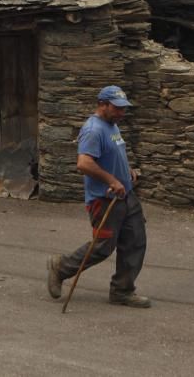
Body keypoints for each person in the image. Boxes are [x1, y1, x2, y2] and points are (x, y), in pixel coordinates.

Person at [47, 85, 151, 308]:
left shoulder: (112, 125)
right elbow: (84, 163)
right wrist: (112, 181)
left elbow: (114, 155)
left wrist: (127, 171)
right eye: (117, 108)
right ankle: (61, 267)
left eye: (124, 109)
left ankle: (122, 291)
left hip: (126, 196)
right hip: (104, 199)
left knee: (135, 242)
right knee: (103, 246)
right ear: (102, 105)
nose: (122, 113)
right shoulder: (93, 129)